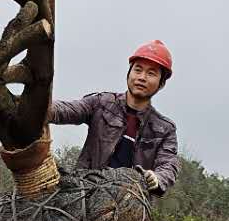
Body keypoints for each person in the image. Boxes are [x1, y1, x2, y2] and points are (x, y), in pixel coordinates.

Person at [47, 40, 179, 196]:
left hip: (130, 206)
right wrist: (39, 109)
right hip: (84, 197)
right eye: (138, 70)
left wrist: (157, 178)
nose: (142, 77)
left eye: (151, 73)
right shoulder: (101, 103)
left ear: (161, 83)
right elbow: (67, 110)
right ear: (129, 73)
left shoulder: (165, 129)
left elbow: (169, 164)